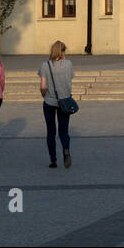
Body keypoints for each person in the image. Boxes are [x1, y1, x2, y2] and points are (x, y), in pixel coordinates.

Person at [40, 40, 75, 168]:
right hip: (65, 101)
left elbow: (43, 87)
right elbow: (69, 80)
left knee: (51, 131)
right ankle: (66, 149)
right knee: (64, 131)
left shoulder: (45, 65)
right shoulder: (69, 64)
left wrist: (45, 96)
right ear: (63, 51)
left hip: (50, 101)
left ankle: (53, 160)